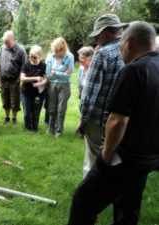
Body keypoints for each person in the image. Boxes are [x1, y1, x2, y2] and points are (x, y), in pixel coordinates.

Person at [68, 21, 159, 225]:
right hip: (147, 159)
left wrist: (106, 156)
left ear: (130, 43)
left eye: (121, 46)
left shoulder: (134, 70)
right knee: (128, 209)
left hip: (123, 159)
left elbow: (117, 121)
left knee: (82, 202)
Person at [78, 14, 127, 177]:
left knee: (92, 161)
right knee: (112, 158)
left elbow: (90, 93)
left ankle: (89, 195)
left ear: (106, 32)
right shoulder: (128, 50)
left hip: (98, 120)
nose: (96, 39)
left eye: (97, 35)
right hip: (120, 120)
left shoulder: (103, 54)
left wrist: (83, 120)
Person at [45, 37, 74, 137]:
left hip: (64, 85)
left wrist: (55, 72)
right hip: (52, 84)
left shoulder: (70, 56)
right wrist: (60, 73)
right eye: (55, 51)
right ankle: (50, 128)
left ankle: (59, 130)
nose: (56, 53)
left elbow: (68, 75)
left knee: (61, 108)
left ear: (63, 49)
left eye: (58, 51)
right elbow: (48, 73)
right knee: (52, 108)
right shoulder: (50, 56)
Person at [0, 30, 27, 124]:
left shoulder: (21, 50)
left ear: (13, 39)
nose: (5, 44)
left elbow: (24, 66)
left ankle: (14, 118)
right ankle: (7, 117)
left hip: (15, 80)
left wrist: (21, 80)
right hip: (3, 79)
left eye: (7, 42)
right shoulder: (2, 48)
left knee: (15, 100)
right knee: (5, 99)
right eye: (4, 42)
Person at [20, 45, 47, 131]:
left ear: (40, 56)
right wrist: (35, 78)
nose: (32, 58)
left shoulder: (43, 66)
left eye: (34, 57)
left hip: (39, 93)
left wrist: (40, 83)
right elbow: (22, 78)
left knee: (36, 112)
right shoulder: (26, 65)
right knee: (27, 113)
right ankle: (28, 129)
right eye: (30, 56)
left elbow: (47, 79)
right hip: (26, 92)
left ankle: (35, 128)